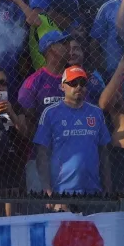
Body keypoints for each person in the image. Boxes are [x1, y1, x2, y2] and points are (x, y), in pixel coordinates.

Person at [33, 65, 112, 194]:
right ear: (62, 86)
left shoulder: (96, 113)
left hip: (94, 191)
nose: (79, 87)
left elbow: (104, 153)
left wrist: (107, 188)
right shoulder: (50, 113)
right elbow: (42, 153)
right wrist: (47, 190)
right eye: (73, 83)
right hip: (61, 192)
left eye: (83, 83)